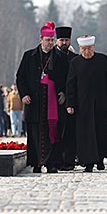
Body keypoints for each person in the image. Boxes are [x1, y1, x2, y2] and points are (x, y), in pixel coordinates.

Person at [17, 22, 69, 174]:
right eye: (47, 40)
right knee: (35, 133)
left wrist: (64, 92)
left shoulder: (61, 57)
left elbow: (68, 78)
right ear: (40, 40)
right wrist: (24, 94)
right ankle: (37, 162)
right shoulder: (29, 56)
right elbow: (20, 77)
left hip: (53, 101)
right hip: (34, 101)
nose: (50, 43)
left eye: (52, 40)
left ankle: (52, 163)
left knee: (53, 132)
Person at [66, 35, 107, 172]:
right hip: (82, 105)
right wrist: (70, 104)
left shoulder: (102, 59)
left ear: (93, 47)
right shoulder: (75, 62)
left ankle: (100, 160)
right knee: (85, 134)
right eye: (84, 49)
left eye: (89, 48)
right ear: (80, 49)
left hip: (100, 102)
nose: (87, 52)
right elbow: (71, 85)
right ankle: (88, 162)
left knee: (100, 132)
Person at [54, 26, 78, 171]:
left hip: (71, 100)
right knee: (57, 131)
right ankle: (58, 160)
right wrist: (60, 92)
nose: (64, 43)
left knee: (70, 131)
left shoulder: (74, 58)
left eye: (66, 40)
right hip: (56, 99)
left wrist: (68, 95)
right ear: (57, 41)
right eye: (61, 40)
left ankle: (69, 160)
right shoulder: (52, 56)